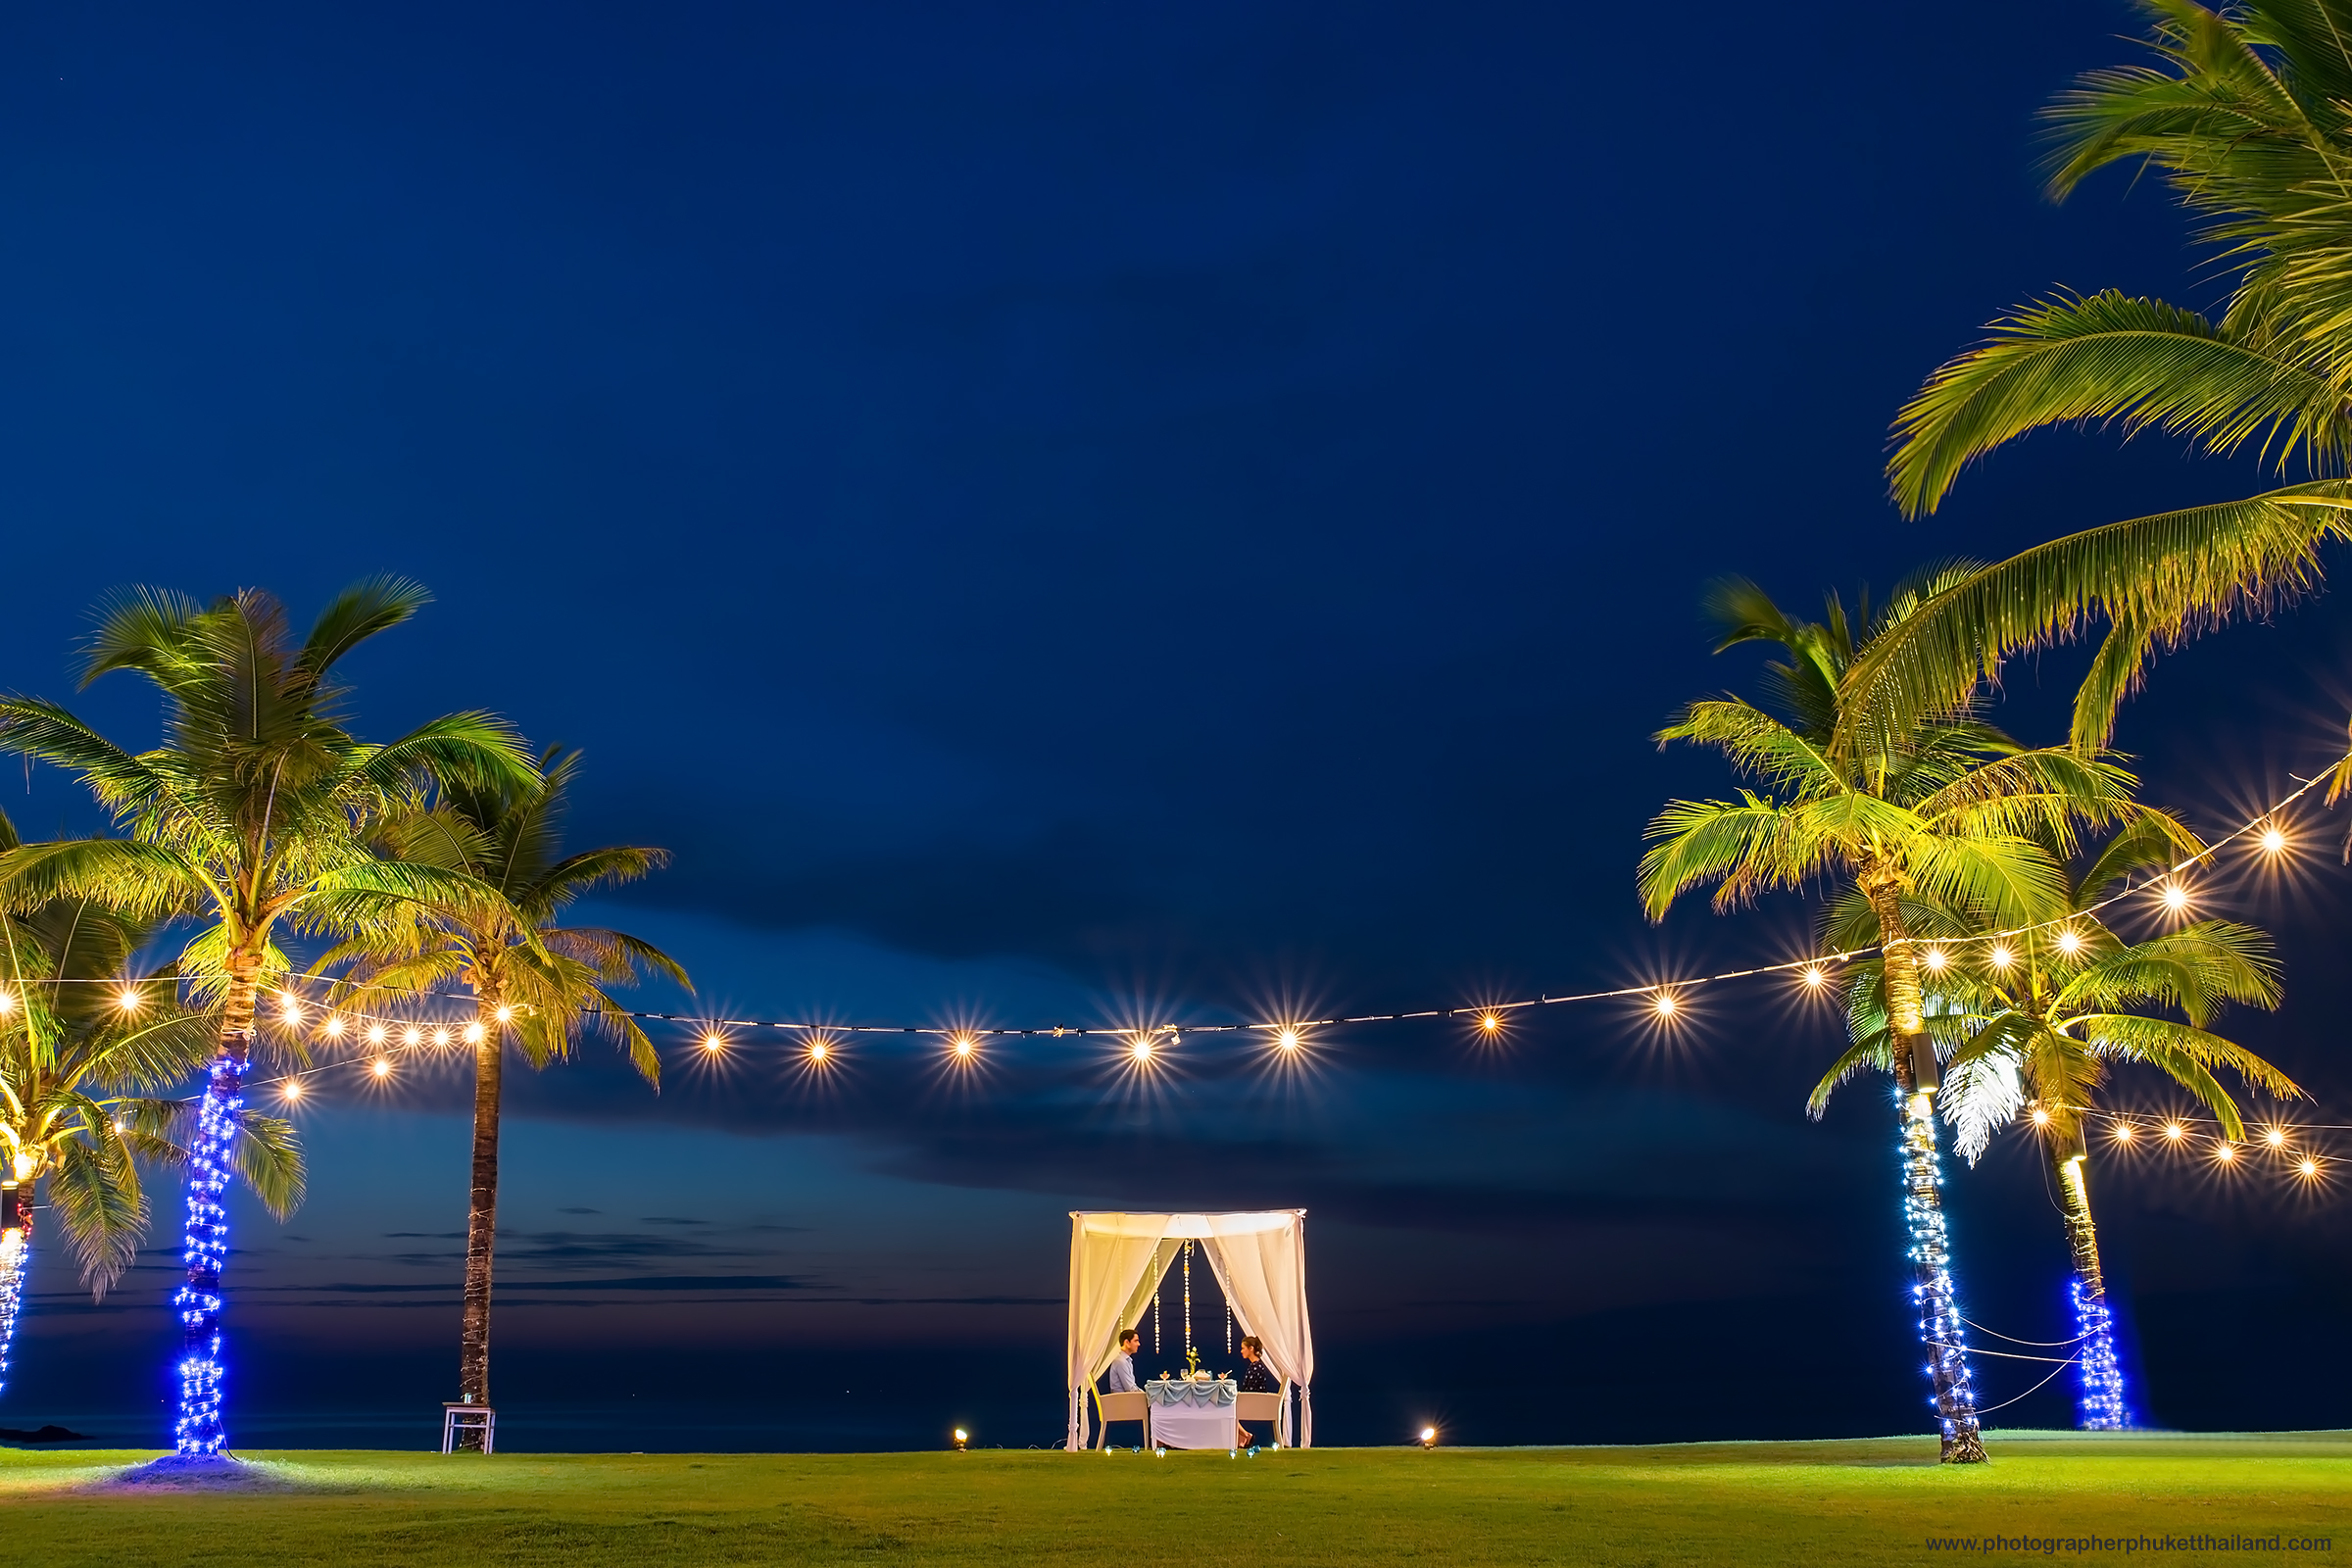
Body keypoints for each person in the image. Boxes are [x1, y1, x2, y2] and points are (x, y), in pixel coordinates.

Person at [1098, 1328, 1146, 1448]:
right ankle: (1160, 1443)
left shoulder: (1126, 1361)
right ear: (1126, 1342)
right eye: (1136, 1341)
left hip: (1125, 1399)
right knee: (1157, 1405)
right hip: (1122, 1402)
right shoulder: (1121, 1362)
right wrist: (1146, 1395)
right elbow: (1130, 1388)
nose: (1138, 1344)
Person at [1235, 1335, 1278, 1449]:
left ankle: (1245, 1435)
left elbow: (1250, 1390)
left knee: (1225, 1409)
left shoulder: (1256, 1367)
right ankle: (1244, 1437)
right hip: (1254, 1400)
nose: (1241, 1351)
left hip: (1254, 1403)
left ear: (1251, 1349)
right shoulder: (1255, 1366)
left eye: (1243, 1348)